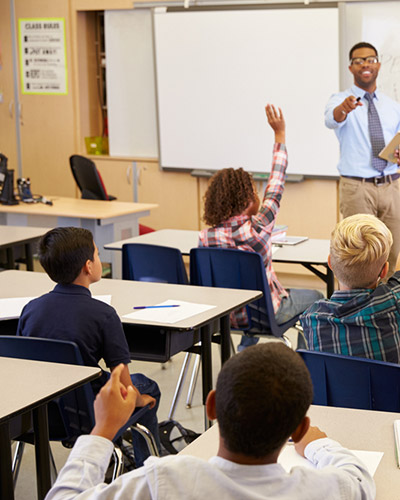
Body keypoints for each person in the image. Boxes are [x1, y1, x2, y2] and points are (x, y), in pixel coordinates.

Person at [46, 343, 376, 499]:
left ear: (212, 406)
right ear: (298, 429)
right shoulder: (325, 491)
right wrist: (318, 444)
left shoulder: (164, 481)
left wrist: (103, 429)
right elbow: (359, 479)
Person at [302, 141, 400, 416]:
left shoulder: (311, 319)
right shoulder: (391, 302)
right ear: (383, 270)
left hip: (346, 426)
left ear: (330, 264)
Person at [18, 227, 160, 468]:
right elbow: (125, 387)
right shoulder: (103, 315)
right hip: (90, 416)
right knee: (148, 386)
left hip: (39, 417)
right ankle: (145, 470)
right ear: (88, 266)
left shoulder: (30, 309)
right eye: (96, 254)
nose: (98, 258)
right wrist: (142, 399)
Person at [199, 104, 323, 345]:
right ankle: (307, 363)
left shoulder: (205, 238)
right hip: (267, 315)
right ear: (246, 200)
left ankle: (247, 352)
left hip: (223, 317)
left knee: (248, 300)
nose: (258, 195)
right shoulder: (258, 227)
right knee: (317, 297)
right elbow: (277, 181)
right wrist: (280, 135)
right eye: (254, 191)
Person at [324, 42, 400, 274]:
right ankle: (361, 306)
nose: (365, 65)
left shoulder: (393, 107)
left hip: (390, 186)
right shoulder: (340, 100)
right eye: (358, 61)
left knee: (393, 253)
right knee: (360, 256)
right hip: (357, 188)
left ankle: (389, 305)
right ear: (351, 68)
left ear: (378, 64)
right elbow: (332, 119)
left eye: (370, 59)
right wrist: (344, 108)